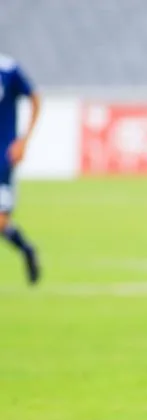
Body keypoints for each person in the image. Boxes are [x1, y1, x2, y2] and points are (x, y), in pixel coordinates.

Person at [0, 54, 41, 284]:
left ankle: (26, 249)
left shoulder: (8, 69)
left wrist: (24, 140)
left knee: (1, 221)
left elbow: (35, 98)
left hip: (2, 157)